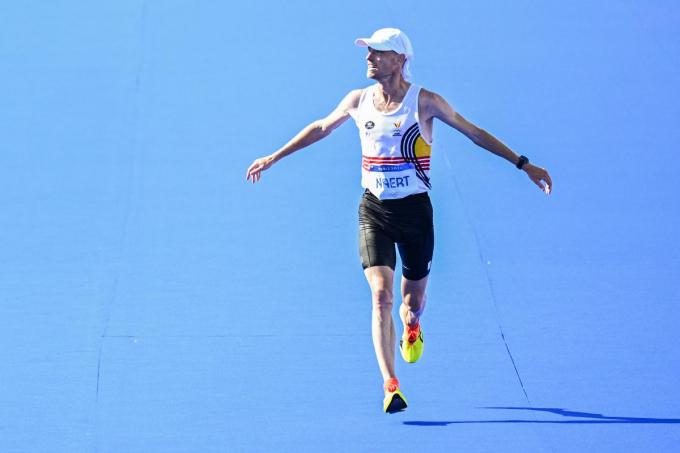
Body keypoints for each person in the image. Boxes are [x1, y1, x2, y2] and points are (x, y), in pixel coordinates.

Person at [246, 28, 552, 414]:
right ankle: (391, 384)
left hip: (415, 214)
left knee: (411, 302)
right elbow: (322, 127)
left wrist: (523, 164)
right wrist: (274, 157)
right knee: (380, 295)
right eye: (369, 51)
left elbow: (474, 133)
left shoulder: (425, 102)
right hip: (374, 210)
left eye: (379, 53)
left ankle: (412, 324)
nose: (369, 58)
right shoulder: (358, 100)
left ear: (401, 60)